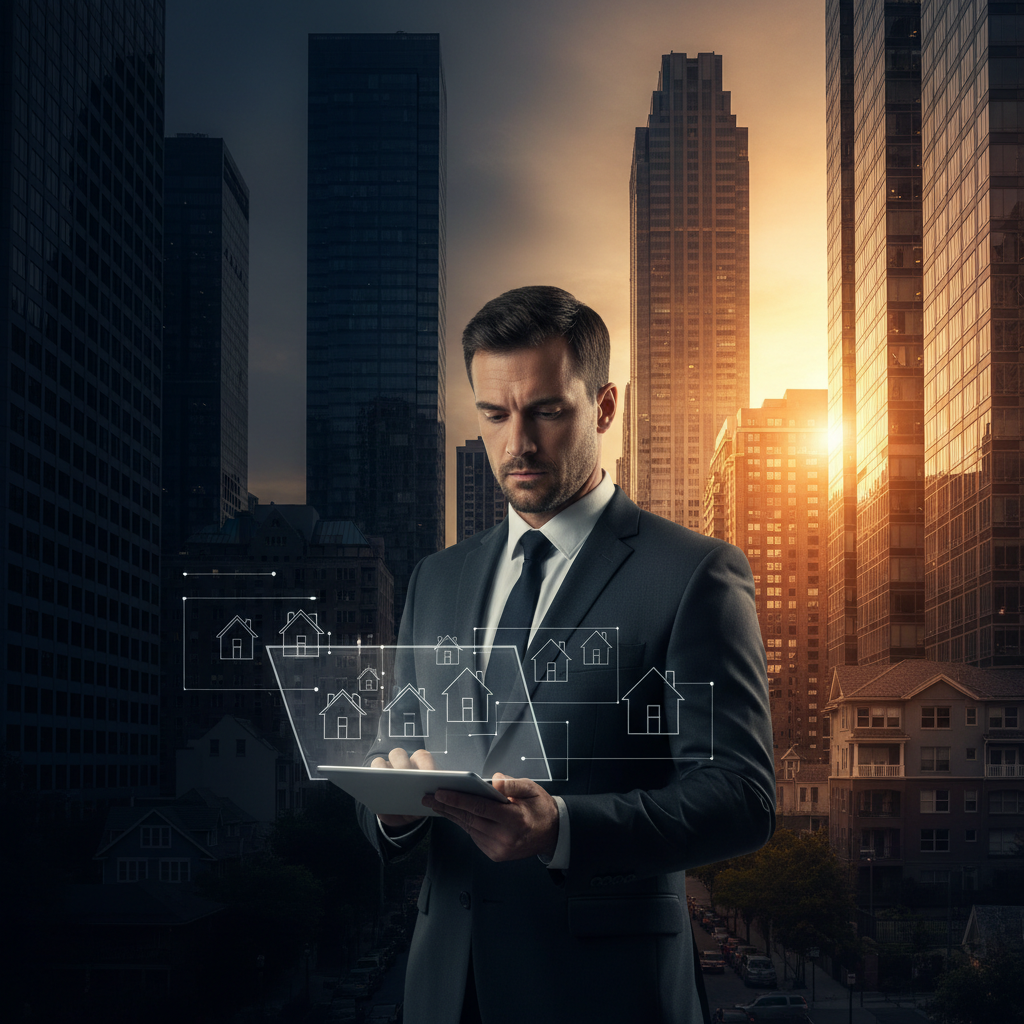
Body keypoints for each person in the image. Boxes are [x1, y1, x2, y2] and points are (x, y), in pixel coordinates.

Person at [356, 285, 775, 1024]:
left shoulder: (694, 573)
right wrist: (394, 813)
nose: (516, 442)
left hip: (607, 991)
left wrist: (564, 829)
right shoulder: (436, 578)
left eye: (546, 411)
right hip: (443, 991)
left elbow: (742, 796)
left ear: (604, 407)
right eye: (493, 414)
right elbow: (398, 750)